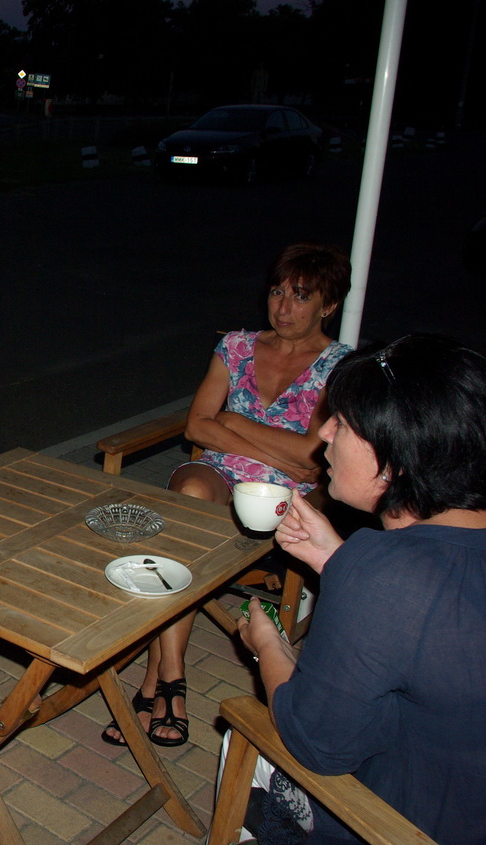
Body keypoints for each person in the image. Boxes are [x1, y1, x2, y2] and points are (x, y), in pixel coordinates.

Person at [237, 333, 486, 845]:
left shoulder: (386, 573)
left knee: (244, 743)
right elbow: (448, 618)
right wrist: (337, 561)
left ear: (396, 456)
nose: (324, 433)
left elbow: (318, 744)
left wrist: (266, 645)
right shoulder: (425, 561)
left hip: (410, 833)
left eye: (343, 423)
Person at [103, 243, 352, 749]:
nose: (283, 307)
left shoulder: (338, 366)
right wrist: (270, 447)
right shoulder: (236, 347)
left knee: (181, 545)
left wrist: (234, 421)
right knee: (192, 493)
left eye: (301, 296)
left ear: (328, 305)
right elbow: (198, 425)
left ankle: (153, 684)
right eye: (277, 292)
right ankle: (174, 673)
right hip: (218, 476)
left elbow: (310, 457)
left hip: (283, 498)